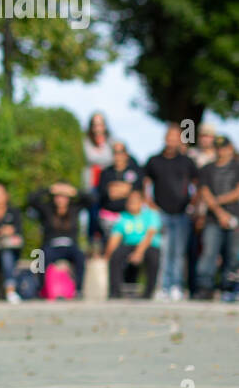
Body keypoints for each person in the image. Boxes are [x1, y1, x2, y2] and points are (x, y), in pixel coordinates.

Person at [143, 124, 199, 301]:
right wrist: (148, 201)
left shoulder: (186, 161)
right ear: (165, 138)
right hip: (161, 213)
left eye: (176, 137)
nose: (172, 140)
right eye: (170, 136)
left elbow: (197, 183)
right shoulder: (154, 160)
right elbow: (145, 181)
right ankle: (163, 286)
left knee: (178, 252)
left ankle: (176, 285)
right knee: (164, 251)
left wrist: (194, 202)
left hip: (182, 213)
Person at [26, 181, 93, 295]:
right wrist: (49, 189)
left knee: (80, 257)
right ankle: (42, 288)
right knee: (41, 257)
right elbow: (31, 199)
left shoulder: (74, 209)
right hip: (51, 245)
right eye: (58, 196)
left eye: (64, 196)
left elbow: (92, 200)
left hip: (70, 245)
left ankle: (78, 289)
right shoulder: (47, 209)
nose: (61, 199)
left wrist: (74, 191)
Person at [195, 135, 239, 301]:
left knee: (233, 254)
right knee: (208, 253)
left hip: (235, 217)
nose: (221, 151)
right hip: (212, 219)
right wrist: (220, 213)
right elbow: (204, 193)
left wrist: (217, 200)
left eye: (224, 148)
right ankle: (205, 288)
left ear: (230, 148)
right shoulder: (207, 169)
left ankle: (229, 287)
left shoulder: (237, 167)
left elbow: (237, 192)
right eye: (218, 148)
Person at [104, 189, 162, 299]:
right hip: (129, 244)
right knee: (116, 256)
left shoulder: (151, 215)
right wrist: (107, 256)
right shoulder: (123, 217)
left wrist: (138, 253)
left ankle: (149, 293)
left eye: (134, 201)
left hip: (148, 245)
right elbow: (115, 238)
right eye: (129, 202)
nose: (131, 204)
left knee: (153, 257)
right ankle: (115, 292)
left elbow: (149, 236)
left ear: (141, 202)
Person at [83, 112, 115, 249]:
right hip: (91, 184)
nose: (98, 127)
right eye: (95, 124)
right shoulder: (85, 142)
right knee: (92, 217)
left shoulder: (111, 142)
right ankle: (92, 244)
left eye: (100, 124)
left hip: (106, 185)